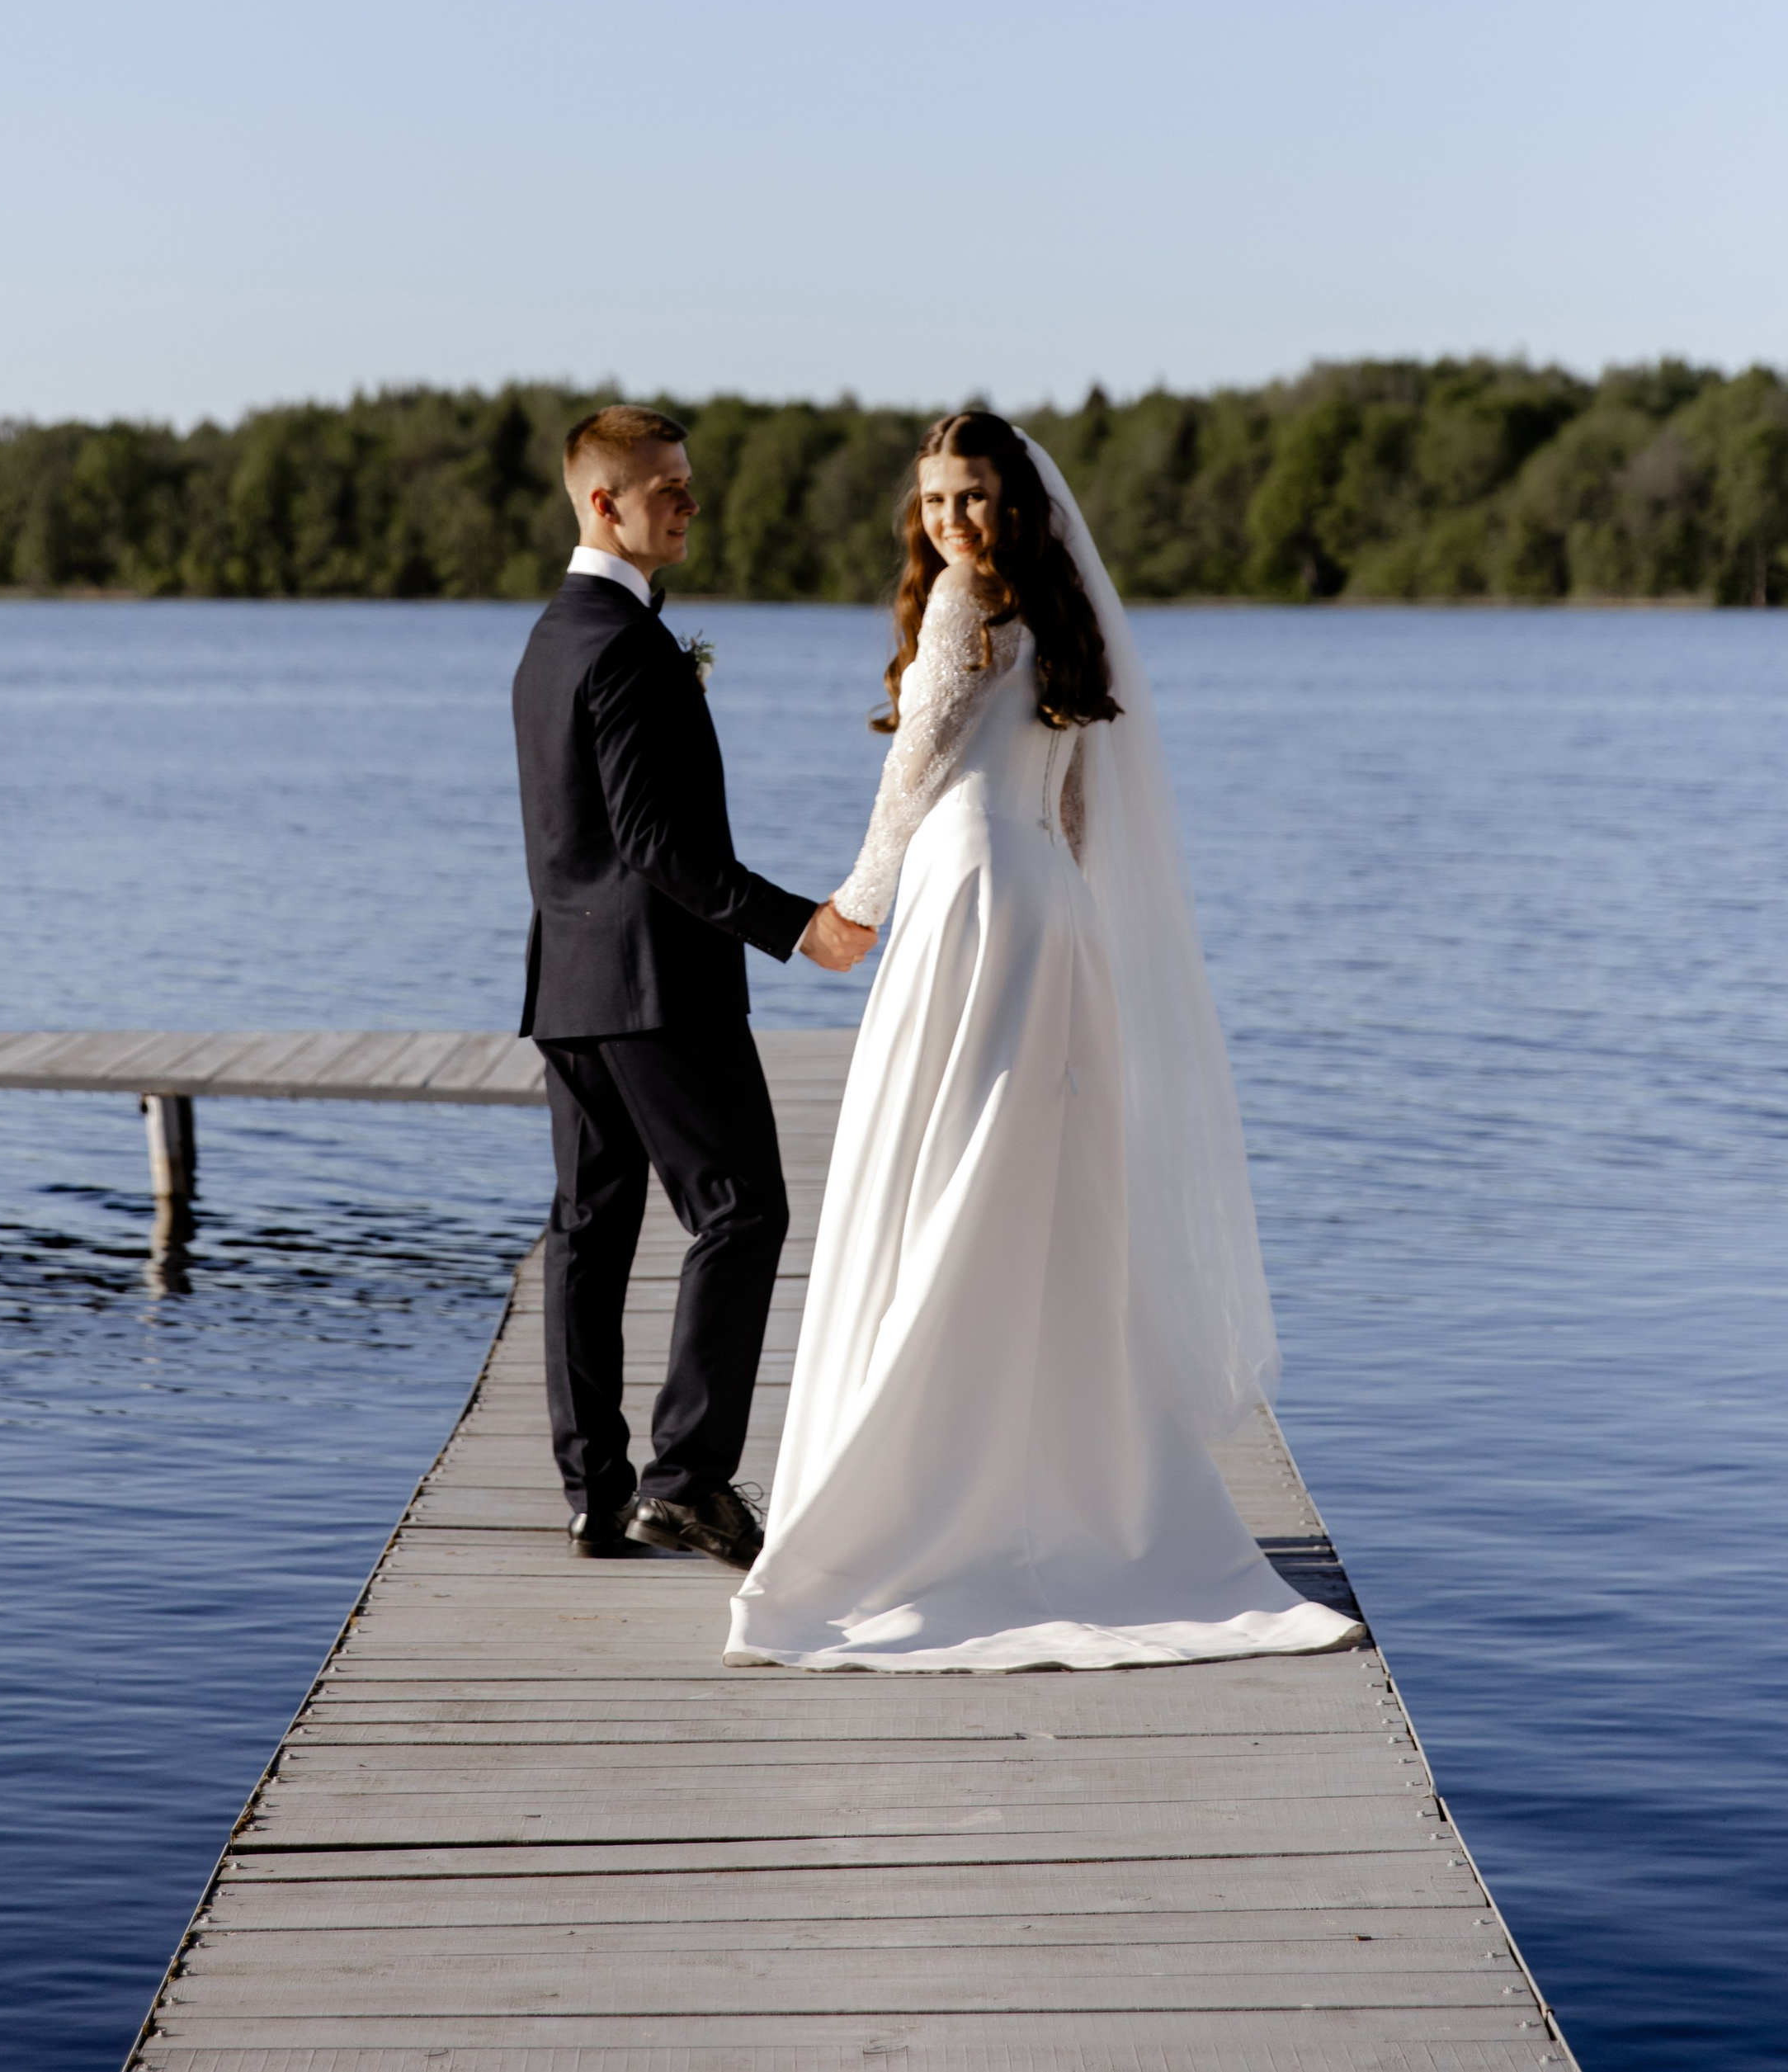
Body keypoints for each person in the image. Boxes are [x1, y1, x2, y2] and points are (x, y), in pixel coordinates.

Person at [727, 410, 1361, 1669]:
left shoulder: (966, 605)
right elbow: (1072, 810)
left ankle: (907, 1495)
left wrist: (852, 910)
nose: (951, 520)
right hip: (1041, 904)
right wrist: (1063, 929)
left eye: (971, 495)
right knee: (1035, 1185)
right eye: (934, 500)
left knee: (937, 1181)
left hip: (967, 901)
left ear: (1013, 501)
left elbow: (913, 775)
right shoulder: (1061, 619)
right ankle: (1060, 1484)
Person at [512, 404, 873, 1568]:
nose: (689, 501)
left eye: (688, 482)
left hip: (568, 986)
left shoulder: (551, 635)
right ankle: (688, 1478)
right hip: (658, 984)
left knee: (591, 1230)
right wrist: (798, 926)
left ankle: (594, 1491)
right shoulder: (624, 646)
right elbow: (658, 844)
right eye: (666, 486)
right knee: (742, 1207)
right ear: (602, 503)